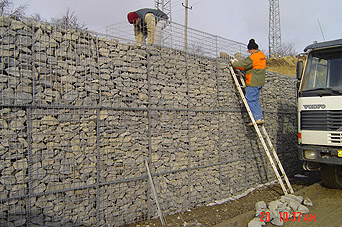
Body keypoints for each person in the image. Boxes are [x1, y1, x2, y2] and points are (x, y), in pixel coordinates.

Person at [231, 39, 266, 126]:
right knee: (255, 100)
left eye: (249, 51)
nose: (249, 52)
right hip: (260, 81)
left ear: (252, 49)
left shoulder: (254, 57)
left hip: (253, 81)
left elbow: (243, 65)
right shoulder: (262, 55)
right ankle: (259, 117)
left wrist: (234, 64)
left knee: (249, 99)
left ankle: (257, 118)